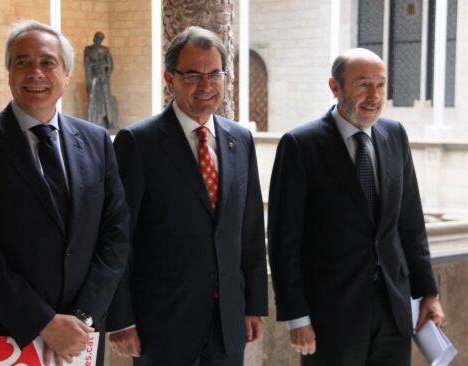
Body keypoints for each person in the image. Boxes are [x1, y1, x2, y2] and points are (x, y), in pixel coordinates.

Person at [0, 20, 129, 366]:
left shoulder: (97, 141)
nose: (35, 73)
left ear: (67, 72)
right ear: (9, 73)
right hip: (1, 337)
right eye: (22, 62)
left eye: (47, 62)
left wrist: (82, 319)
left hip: (78, 340)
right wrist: (43, 323)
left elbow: (115, 233)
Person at [267, 48, 445, 366]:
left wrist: (428, 293)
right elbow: (284, 241)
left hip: (394, 309)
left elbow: (410, 224)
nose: (374, 95)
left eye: (380, 84)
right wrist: (297, 316)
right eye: (363, 84)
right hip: (330, 315)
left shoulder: (395, 135)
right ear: (335, 87)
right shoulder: (300, 145)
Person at [106, 26, 268, 366]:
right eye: (193, 75)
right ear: (170, 78)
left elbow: (250, 229)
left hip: (227, 323)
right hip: (162, 325)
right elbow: (118, 239)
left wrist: (253, 304)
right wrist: (121, 319)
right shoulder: (138, 143)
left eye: (215, 74)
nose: (206, 86)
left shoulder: (240, 139)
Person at [84, 31, 114, 129]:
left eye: (100, 39)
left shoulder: (105, 50)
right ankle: (94, 121)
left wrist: (106, 75)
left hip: (103, 77)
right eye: (97, 38)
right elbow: (86, 64)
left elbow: (110, 65)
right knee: (93, 98)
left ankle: (107, 121)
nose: (98, 40)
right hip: (93, 78)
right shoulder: (88, 49)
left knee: (105, 99)